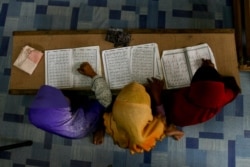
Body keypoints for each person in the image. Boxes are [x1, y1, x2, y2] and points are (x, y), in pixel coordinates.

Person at [28, 62, 112, 144]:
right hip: (89, 123)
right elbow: (105, 98)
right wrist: (92, 74)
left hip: (73, 130)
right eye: (63, 99)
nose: (64, 96)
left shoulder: (38, 120)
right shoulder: (88, 118)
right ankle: (99, 128)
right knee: (101, 114)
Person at [103, 81, 184, 154]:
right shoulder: (157, 127)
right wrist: (157, 98)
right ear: (150, 118)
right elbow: (162, 121)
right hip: (143, 138)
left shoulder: (111, 121)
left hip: (122, 137)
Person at [160, 59, 241, 127]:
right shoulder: (223, 96)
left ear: (192, 89)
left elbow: (164, 119)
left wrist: (157, 95)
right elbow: (234, 90)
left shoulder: (179, 112)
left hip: (168, 114)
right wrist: (210, 70)